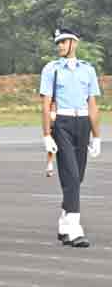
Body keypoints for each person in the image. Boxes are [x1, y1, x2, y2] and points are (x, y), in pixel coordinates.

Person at [41, 26, 101, 247]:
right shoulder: (52, 69)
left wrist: (96, 136)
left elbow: (93, 105)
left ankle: (65, 220)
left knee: (77, 177)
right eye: (58, 42)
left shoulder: (88, 70)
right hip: (62, 124)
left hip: (83, 123)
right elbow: (46, 105)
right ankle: (75, 227)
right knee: (72, 175)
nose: (60, 46)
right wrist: (47, 134)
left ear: (74, 43)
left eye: (64, 42)